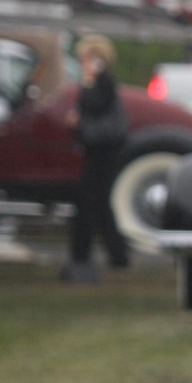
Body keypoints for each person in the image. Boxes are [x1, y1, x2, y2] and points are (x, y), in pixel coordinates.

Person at [61, 34, 129, 282]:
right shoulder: (99, 83)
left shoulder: (100, 83)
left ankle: (84, 255)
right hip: (99, 149)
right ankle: (117, 254)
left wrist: (79, 119)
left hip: (103, 150)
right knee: (100, 203)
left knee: (90, 201)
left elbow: (94, 106)